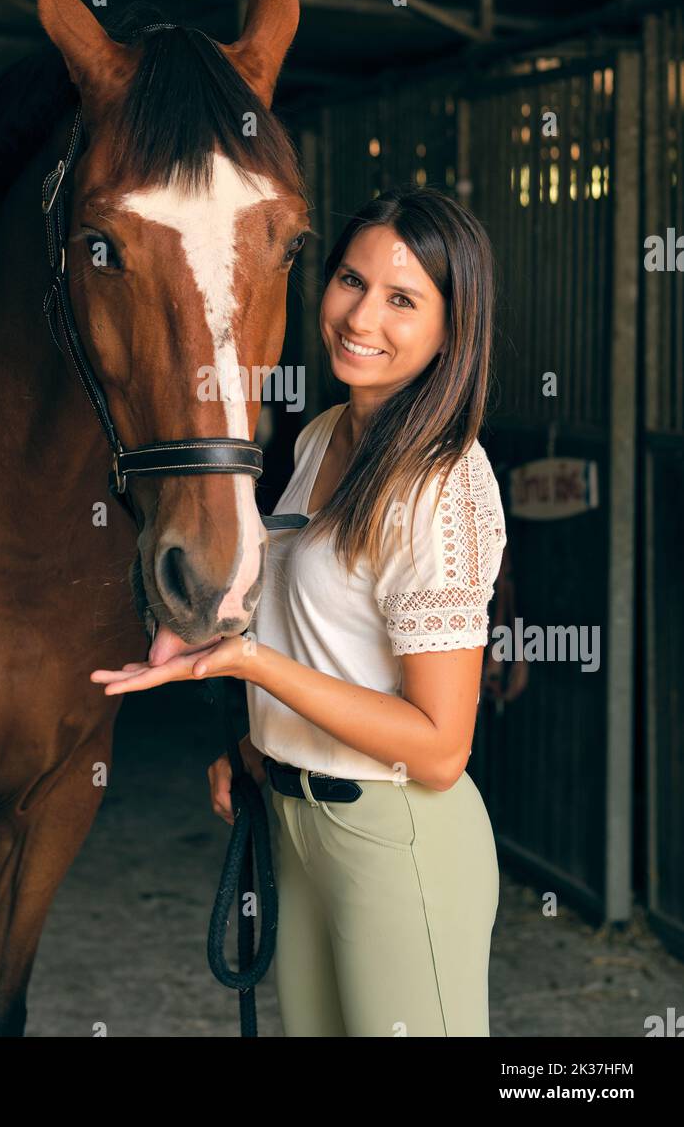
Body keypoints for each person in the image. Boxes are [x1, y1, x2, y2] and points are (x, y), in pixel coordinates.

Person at [92, 184, 507, 1037]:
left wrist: (251, 667)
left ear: (450, 328)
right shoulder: (321, 437)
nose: (362, 317)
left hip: (398, 838)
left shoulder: (444, 483)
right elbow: (333, 641)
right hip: (296, 822)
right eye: (352, 281)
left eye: (402, 300)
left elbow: (439, 748)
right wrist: (257, 744)